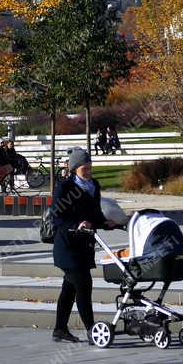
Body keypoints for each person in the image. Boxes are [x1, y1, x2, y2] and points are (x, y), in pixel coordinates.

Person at [50, 147, 115, 344]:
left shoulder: (93, 185)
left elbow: (94, 214)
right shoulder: (65, 188)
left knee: (69, 289)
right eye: (83, 169)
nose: (88, 172)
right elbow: (57, 216)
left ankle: (60, 329)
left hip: (84, 246)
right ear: (74, 169)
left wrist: (107, 223)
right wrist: (76, 225)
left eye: (89, 168)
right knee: (84, 285)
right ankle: (92, 331)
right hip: (67, 246)